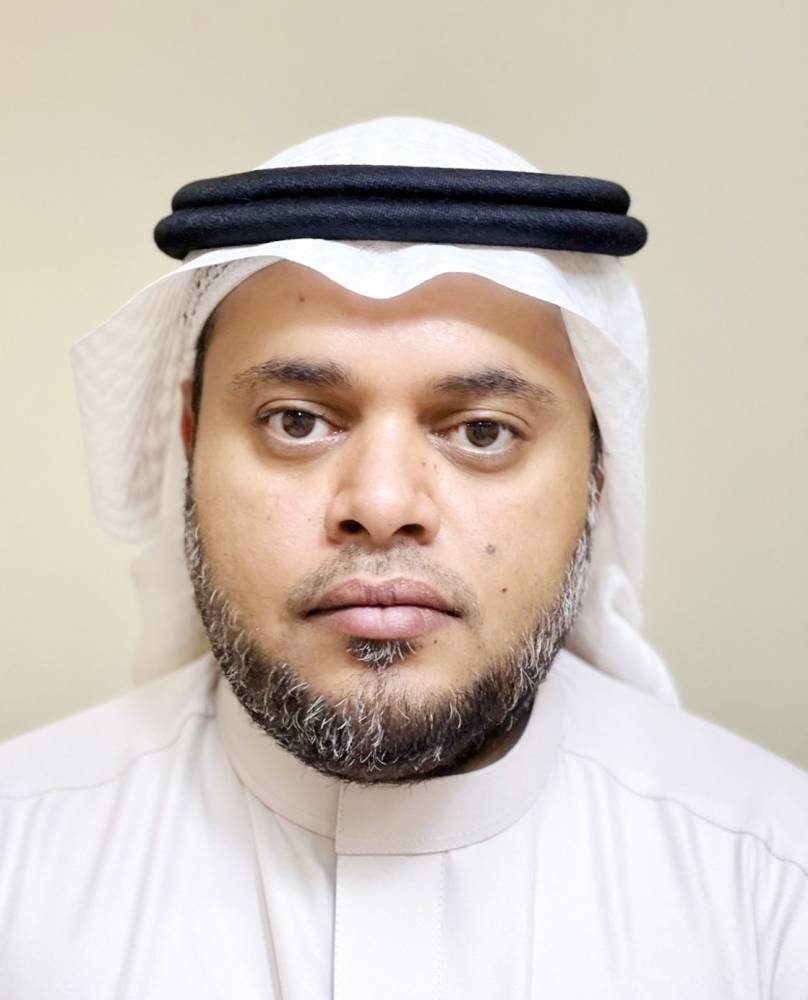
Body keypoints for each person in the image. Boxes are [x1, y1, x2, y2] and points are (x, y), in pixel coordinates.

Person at [1, 117, 806, 997]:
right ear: (190, 440)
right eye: (296, 421)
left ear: (597, 467)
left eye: (484, 432)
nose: (382, 506)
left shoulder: (774, 888)